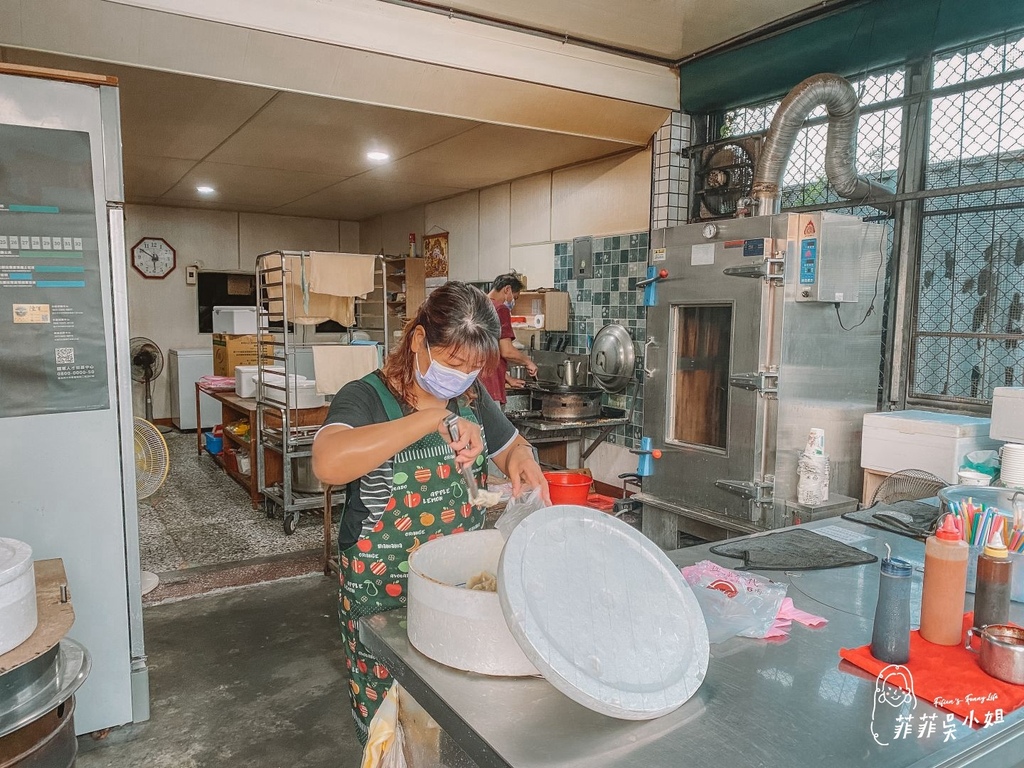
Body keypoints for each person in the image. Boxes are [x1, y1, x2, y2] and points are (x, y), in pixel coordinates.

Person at [312, 281, 549, 745]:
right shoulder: (366, 397)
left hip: (455, 593)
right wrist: (430, 419)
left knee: (454, 721)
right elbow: (328, 462)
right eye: (454, 363)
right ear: (419, 340)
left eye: (474, 367)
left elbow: (512, 447)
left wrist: (523, 460)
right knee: (393, 728)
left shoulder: (472, 398)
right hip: (382, 599)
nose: (462, 377)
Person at [479, 273, 537, 406]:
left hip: (473, 385)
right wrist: (528, 362)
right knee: (494, 426)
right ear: (507, 290)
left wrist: (507, 378)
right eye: (514, 297)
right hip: (490, 388)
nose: (513, 302)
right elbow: (506, 351)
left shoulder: (478, 306)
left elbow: (486, 352)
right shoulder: (500, 309)